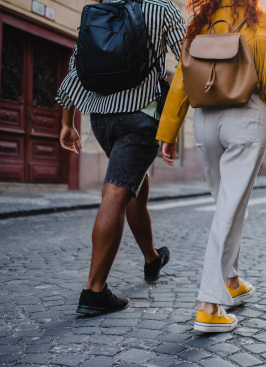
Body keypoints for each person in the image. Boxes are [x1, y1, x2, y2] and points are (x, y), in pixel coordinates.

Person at [156, 0, 266, 332]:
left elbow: (181, 80)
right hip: (245, 117)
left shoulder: (202, 22)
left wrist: (168, 131)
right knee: (229, 207)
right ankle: (210, 306)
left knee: (226, 204)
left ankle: (232, 278)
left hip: (204, 121)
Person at [56, 0, 186, 315]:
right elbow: (188, 63)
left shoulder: (100, 9)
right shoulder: (162, 8)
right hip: (140, 119)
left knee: (134, 186)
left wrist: (66, 121)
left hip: (100, 119)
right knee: (116, 192)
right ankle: (94, 291)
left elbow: (77, 67)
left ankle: (152, 259)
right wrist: (174, 123)